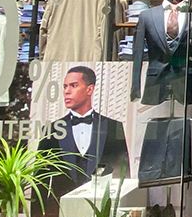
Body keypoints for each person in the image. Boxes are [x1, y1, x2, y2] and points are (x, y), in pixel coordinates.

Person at [37, 66, 129, 207]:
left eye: (73, 85)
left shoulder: (113, 127)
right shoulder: (51, 129)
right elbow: (39, 179)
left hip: (101, 210)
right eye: (65, 86)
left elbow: (123, 175)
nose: (67, 91)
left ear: (89, 89)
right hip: (59, 211)